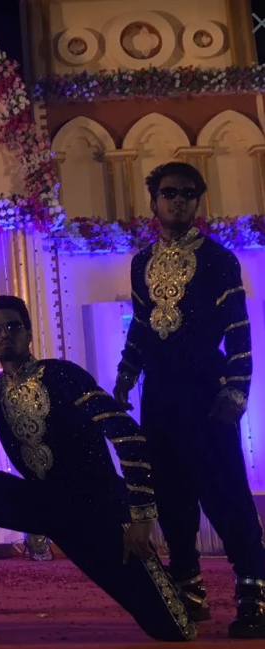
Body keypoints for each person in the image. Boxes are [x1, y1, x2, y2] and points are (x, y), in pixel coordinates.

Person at [0, 295, 196, 642]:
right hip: (43, 505)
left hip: (98, 510)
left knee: (173, 628)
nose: (4, 334)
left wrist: (142, 518)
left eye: (13, 326)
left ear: (28, 333)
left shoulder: (63, 376)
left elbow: (129, 436)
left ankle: (187, 587)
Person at [114, 161, 265, 638]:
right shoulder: (141, 263)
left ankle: (254, 594)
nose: (177, 201)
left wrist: (236, 389)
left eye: (186, 193)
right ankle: (188, 595)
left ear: (198, 201)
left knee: (225, 493)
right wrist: (124, 377)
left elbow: (238, 328)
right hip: (159, 394)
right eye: (168, 193)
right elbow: (141, 326)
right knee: (171, 494)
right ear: (153, 202)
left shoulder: (219, 260)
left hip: (206, 392)